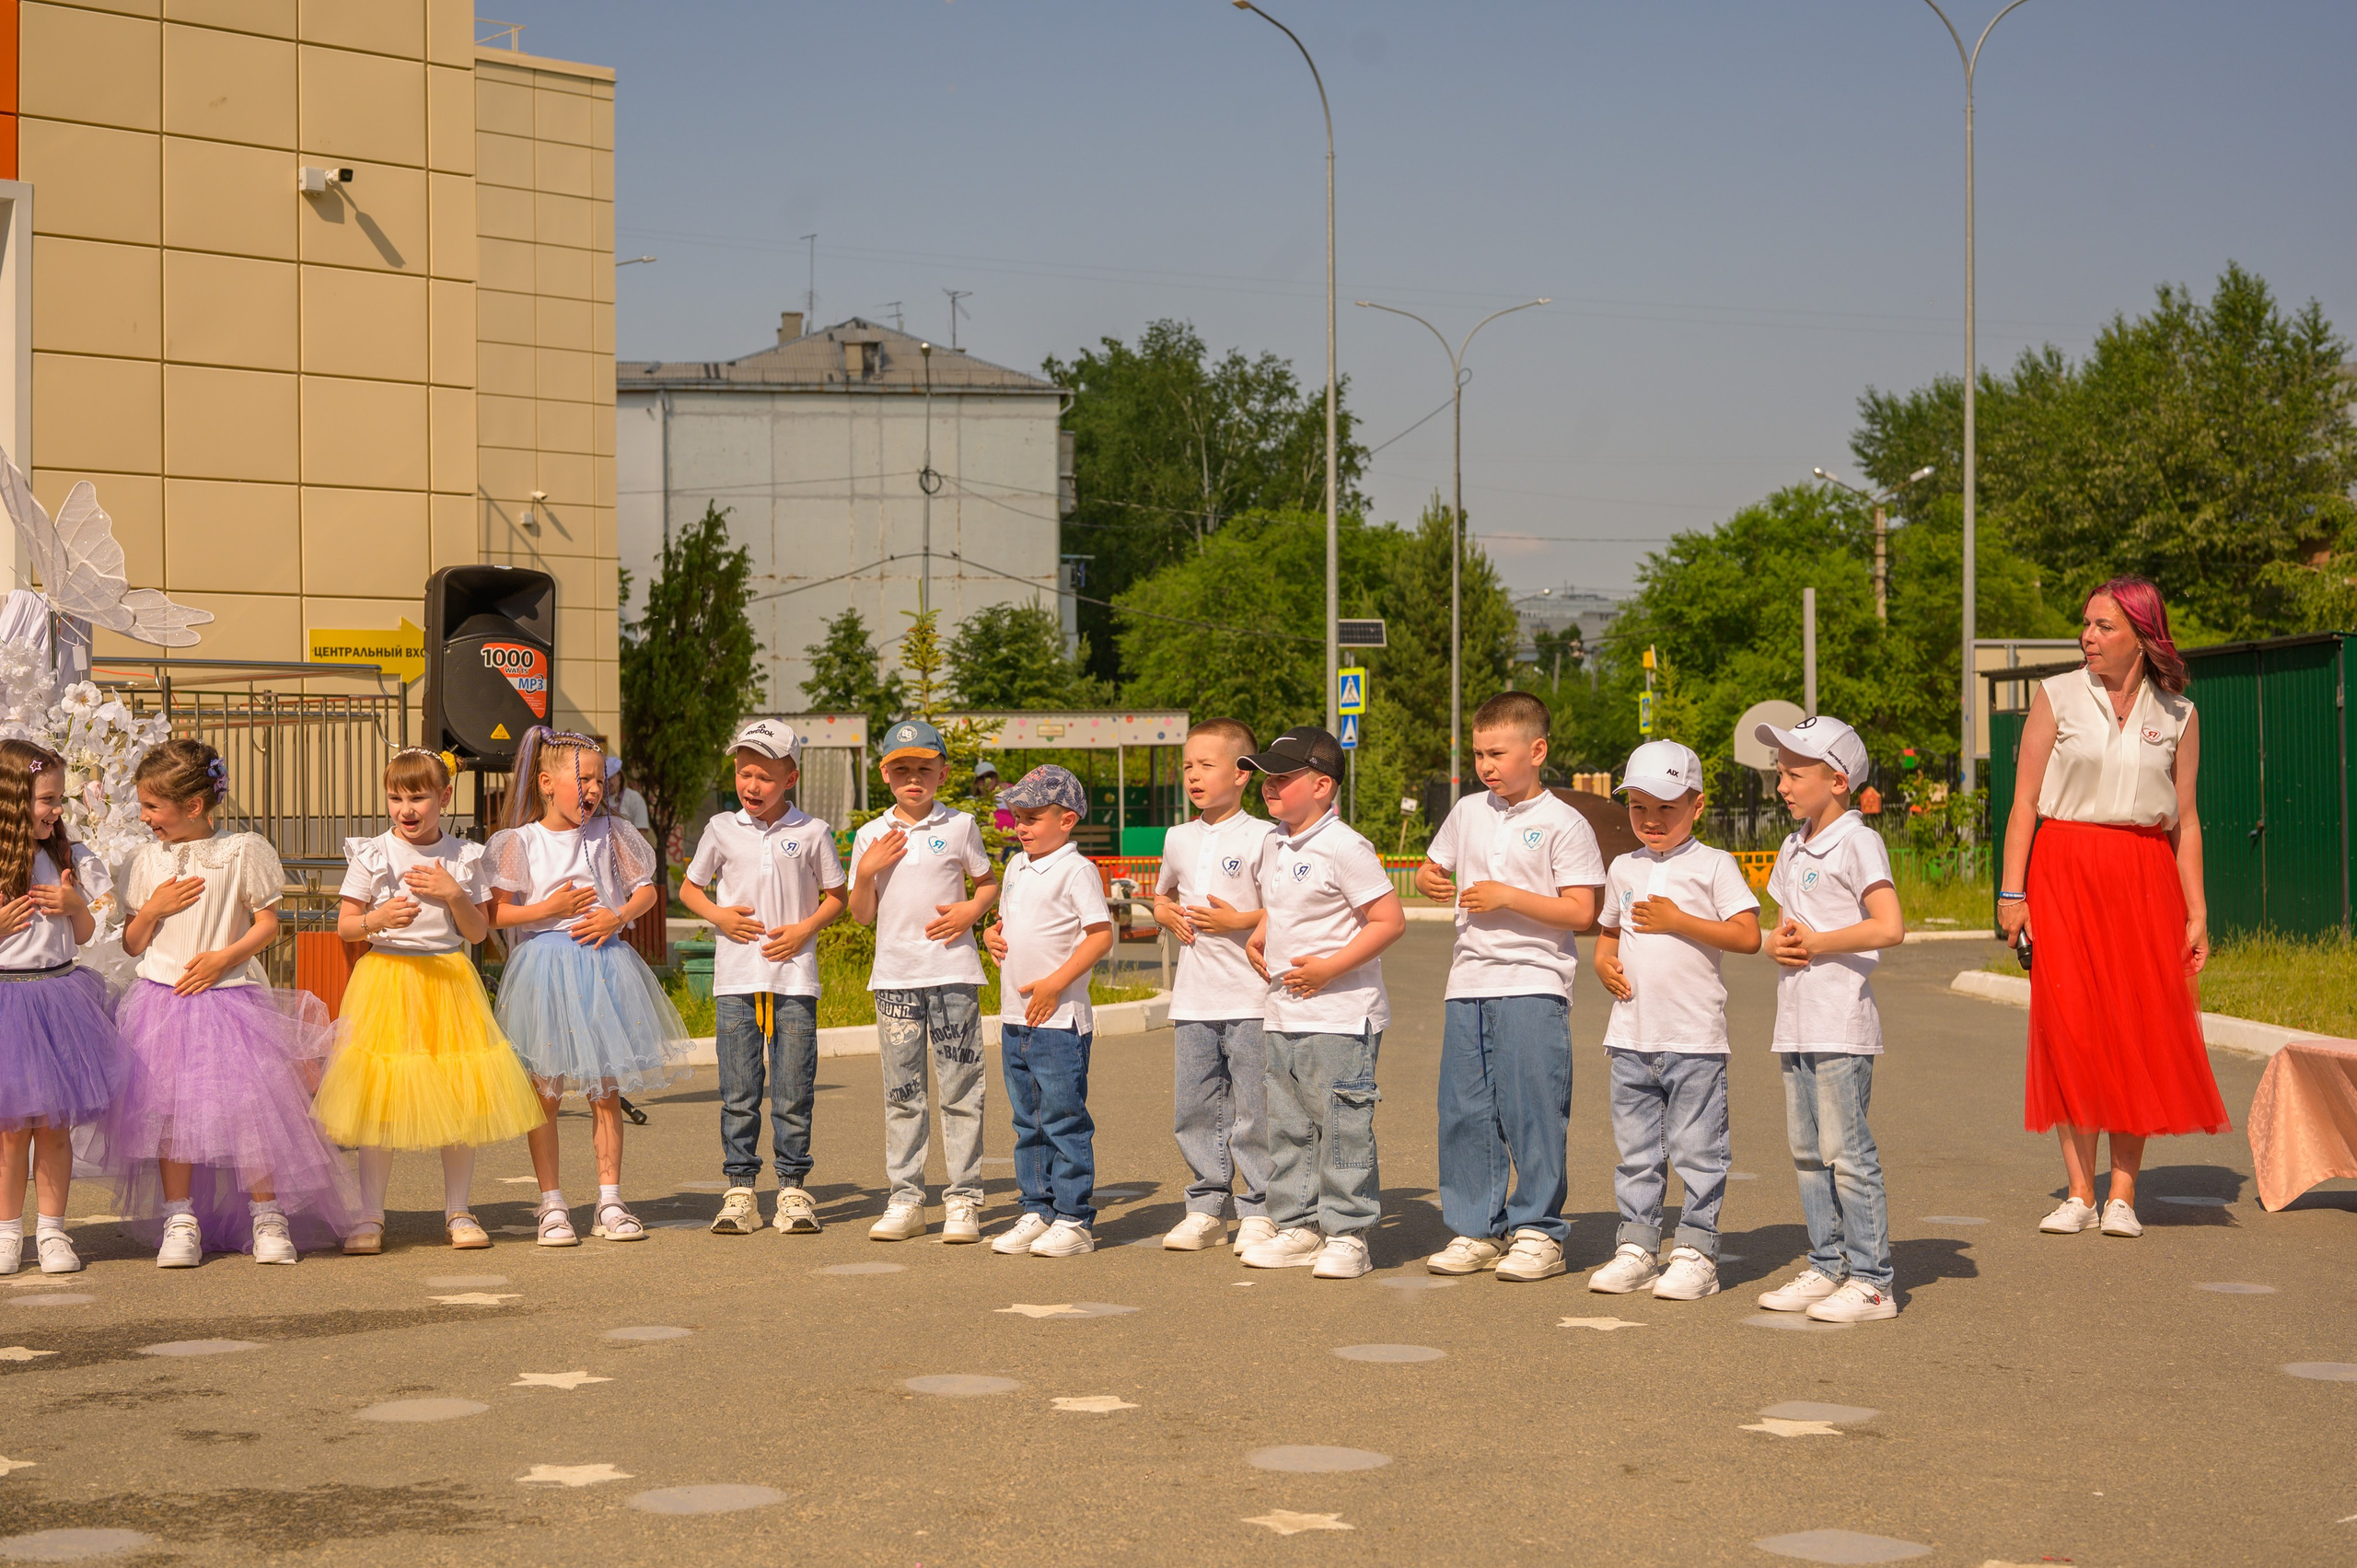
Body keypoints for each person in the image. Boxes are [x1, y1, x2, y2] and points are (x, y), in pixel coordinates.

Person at [1998, 576, 2224, 1239]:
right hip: (2063, 868)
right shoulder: (2057, 695)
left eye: (2102, 626)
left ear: (2141, 636)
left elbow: (2185, 819)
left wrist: (2197, 910)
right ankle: (2078, 1191)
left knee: (2137, 1027)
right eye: (2086, 625)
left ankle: (2122, 1192)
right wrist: (2013, 892)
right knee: (2069, 1024)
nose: (2086, 636)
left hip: (2144, 874)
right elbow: (2023, 804)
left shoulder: (2180, 713)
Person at [102, 739, 359, 1266]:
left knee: (250, 1111)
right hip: (162, 1003)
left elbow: (267, 923)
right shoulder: (146, 861)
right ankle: (180, 1216)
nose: (145, 817)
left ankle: (268, 1217)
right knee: (169, 1114)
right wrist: (150, 909)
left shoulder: (243, 851)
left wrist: (224, 958)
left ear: (193, 806)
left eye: (153, 807)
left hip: (230, 1002)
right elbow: (132, 943)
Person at [316, 748, 544, 1255]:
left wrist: (453, 892)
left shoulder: (464, 857)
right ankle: (371, 1215)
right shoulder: (373, 853)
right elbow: (346, 925)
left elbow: (479, 930)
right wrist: (378, 921)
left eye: (417, 797)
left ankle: (459, 1211)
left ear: (443, 798)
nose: (405, 808)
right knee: (378, 1098)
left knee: (457, 1094)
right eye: (395, 797)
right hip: (387, 981)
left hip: (447, 980)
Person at [1414, 692, 1606, 1282]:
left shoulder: (1564, 823)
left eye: (1498, 752)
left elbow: (1582, 912)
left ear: (1537, 750)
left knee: (1533, 1109)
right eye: (1478, 753)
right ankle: (1475, 1229)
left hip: (1534, 981)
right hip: (1467, 980)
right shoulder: (1469, 811)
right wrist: (1429, 879)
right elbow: (1433, 867)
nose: (1487, 765)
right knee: (1464, 1110)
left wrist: (1508, 897)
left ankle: (1538, 1232)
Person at [487, 726, 691, 1248]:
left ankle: (610, 1199)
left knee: (605, 1089)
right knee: (547, 1093)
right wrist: (547, 910)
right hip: (545, 970)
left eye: (600, 780)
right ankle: (552, 1203)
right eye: (583, 779)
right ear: (547, 782)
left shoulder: (612, 833)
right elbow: (500, 912)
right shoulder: (521, 841)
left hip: (604, 965)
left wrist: (616, 917)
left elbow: (645, 892)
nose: (594, 789)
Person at [1588, 740, 1761, 1300]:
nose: (1652, 820)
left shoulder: (1714, 864)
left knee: (1697, 1150)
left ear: (1697, 804)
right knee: (1636, 1152)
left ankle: (1695, 1250)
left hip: (1694, 1039)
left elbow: (1747, 935)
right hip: (1631, 1036)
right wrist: (1601, 961)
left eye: (1667, 807)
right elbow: (1609, 930)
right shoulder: (1623, 867)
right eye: (1639, 808)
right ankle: (1638, 1246)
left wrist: (1680, 920)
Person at [1237, 727, 1407, 1280]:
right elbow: (1285, 908)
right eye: (1266, 777)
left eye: (1283, 777)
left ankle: (1350, 1232)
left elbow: (1389, 920)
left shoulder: (1344, 846)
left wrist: (1333, 967)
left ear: (1323, 785)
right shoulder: (1275, 842)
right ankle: (1299, 1225)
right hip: (1283, 1010)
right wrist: (1262, 930)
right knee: (1287, 1126)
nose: (1269, 787)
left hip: (1339, 1014)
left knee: (1340, 1127)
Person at [1753, 714, 1907, 1323]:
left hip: (1841, 1023)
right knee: (1808, 1151)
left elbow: (1889, 926)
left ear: (1837, 779)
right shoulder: (1794, 845)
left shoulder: (1857, 840)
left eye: (1794, 773)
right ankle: (1827, 1263)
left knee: (1848, 1152)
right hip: (1795, 1021)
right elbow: (1788, 927)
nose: (1782, 785)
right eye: (1780, 772)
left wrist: (1819, 943)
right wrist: (1776, 942)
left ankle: (1872, 1281)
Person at [680, 719, 847, 1237]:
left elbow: (837, 898)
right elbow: (690, 889)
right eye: (743, 773)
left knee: (794, 1089)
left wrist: (804, 930)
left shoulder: (812, 832)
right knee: (739, 1090)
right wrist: (720, 916)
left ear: (790, 778)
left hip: (795, 980)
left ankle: (794, 1190)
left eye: (764, 777)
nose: (751, 786)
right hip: (735, 980)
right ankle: (740, 1191)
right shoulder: (720, 828)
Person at [847, 719, 1000, 1244]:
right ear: (886, 774)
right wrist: (865, 871)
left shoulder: (960, 825)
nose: (915, 778)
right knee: (903, 1092)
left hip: (954, 974)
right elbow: (860, 915)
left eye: (924, 769)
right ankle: (906, 1199)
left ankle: (963, 1200)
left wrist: (969, 914)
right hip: (894, 980)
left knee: (962, 1089)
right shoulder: (871, 834)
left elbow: (986, 884)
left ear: (943, 772)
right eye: (903, 769)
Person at [1152, 718, 1278, 1254]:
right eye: (1187, 767)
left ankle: (1260, 1208)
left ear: (1243, 773)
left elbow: (1282, 910)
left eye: (1207, 765)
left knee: (1254, 1107)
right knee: (1197, 1106)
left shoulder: (1265, 836)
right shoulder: (1178, 837)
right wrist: (1165, 913)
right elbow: (1161, 895)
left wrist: (1238, 923)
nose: (1194, 777)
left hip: (1252, 997)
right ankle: (1205, 1205)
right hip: (1194, 997)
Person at [0, 739, 122, 1276]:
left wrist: (75, 906)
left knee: (53, 1127)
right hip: (7, 1004)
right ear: (12, 801)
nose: (56, 810)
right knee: (8, 1130)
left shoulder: (65, 856)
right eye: (46, 799)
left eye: (59, 799)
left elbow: (87, 931)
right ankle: (7, 1232)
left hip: (58, 1001)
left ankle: (52, 1231)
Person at [982, 765, 1114, 1258]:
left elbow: (1100, 935)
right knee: (1027, 1121)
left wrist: (1057, 983)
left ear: (1068, 819)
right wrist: (993, 935)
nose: (1021, 825)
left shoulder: (1077, 870)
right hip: (1017, 1017)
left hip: (1059, 1022)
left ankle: (1074, 1218)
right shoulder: (1017, 866)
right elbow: (1008, 921)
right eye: (1018, 816)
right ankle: (1037, 1209)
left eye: (1034, 816)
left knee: (1063, 1118)